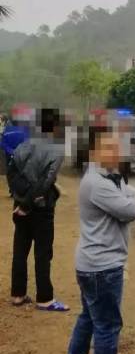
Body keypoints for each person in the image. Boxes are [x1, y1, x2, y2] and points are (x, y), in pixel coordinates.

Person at [63, 127, 135, 354]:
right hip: (102, 267)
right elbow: (132, 210)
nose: (116, 152)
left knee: (88, 317)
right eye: (109, 147)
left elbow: (127, 197)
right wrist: (131, 196)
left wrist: (127, 193)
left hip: (92, 264)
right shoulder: (98, 182)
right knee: (107, 325)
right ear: (94, 152)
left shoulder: (107, 177)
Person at [8, 109, 68, 311]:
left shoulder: (23, 146)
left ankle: (17, 294)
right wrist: (27, 204)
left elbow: (11, 174)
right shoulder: (56, 150)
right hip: (41, 209)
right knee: (43, 253)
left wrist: (20, 201)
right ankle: (45, 298)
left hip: (19, 207)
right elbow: (45, 182)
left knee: (20, 251)